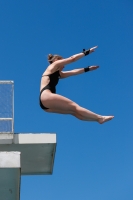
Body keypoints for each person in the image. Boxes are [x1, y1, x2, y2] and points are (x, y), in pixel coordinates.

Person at [39, 46, 114, 124]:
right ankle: (100, 118)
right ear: (56, 60)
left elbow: (73, 72)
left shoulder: (59, 74)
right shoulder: (54, 65)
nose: (64, 66)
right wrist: (86, 52)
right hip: (46, 96)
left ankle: (97, 119)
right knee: (75, 106)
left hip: (45, 105)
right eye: (63, 63)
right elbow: (72, 59)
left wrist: (88, 69)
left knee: (74, 112)